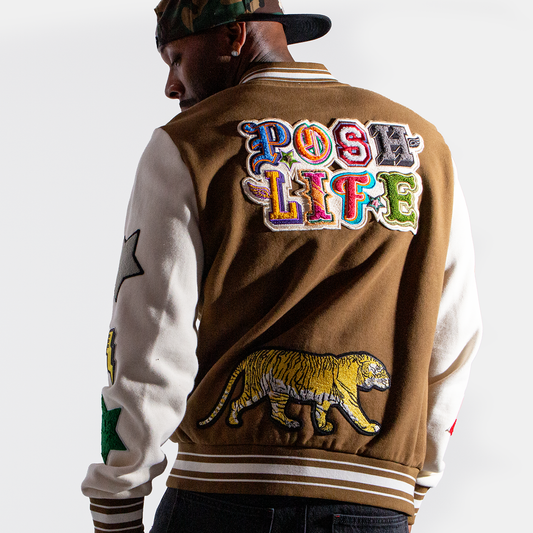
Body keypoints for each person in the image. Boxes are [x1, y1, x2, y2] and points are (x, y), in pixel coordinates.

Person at [82, 1, 482, 532]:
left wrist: (118, 492)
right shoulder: (422, 144)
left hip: (222, 499)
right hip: (373, 501)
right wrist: (415, 476)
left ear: (233, 36)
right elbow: (454, 330)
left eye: (176, 58)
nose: (171, 86)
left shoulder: (191, 143)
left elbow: (151, 333)